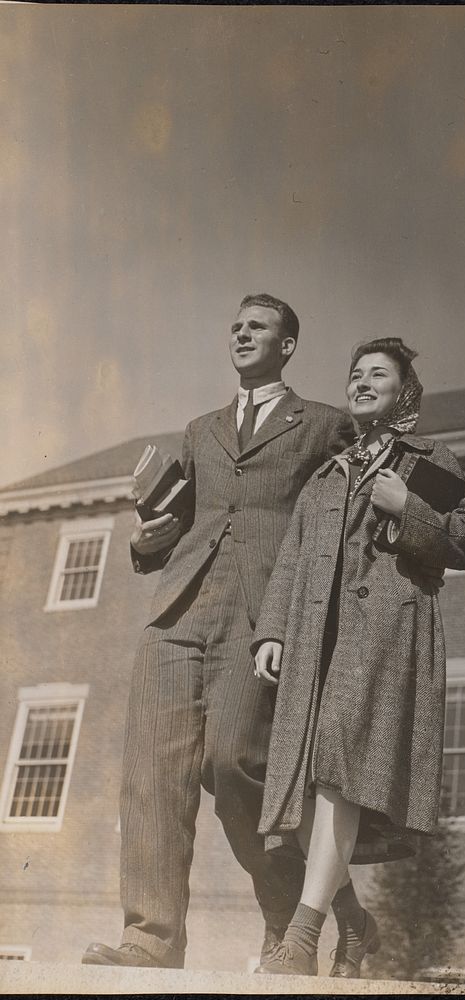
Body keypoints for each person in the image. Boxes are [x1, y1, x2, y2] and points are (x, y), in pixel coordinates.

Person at [82, 293, 355, 972]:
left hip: (262, 614)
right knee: (152, 772)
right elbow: (180, 523)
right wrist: (147, 543)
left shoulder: (324, 424)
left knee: (233, 763)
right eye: (234, 325)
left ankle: (286, 918)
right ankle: (150, 938)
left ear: (286, 344)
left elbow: (344, 521)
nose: (240, 332)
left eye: (256, 326)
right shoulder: (200, 429)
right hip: (180, 605)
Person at [251, 337, 465, 977]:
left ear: (403, 390)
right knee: (302, 787)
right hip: (316, 643)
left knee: (337, 774)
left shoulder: (430, 460)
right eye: (354, 374)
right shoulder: (326, 475)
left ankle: (302, 938)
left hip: (386, 635)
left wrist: (406, 507)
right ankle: (354, 920)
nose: (360, 382)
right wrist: (271, 630)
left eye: (376, 373)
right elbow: (294, 559)